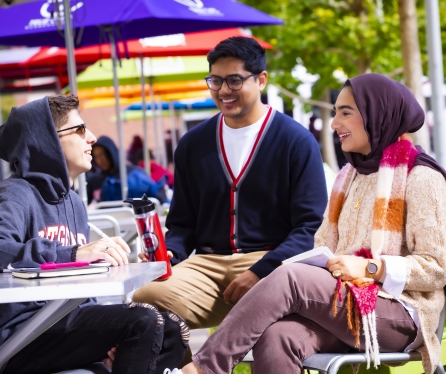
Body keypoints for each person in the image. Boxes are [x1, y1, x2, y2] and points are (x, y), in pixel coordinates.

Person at [166, 73, 446, 374]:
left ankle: (204, 368)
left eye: (345, 113)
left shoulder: (422, 178)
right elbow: (322, 244)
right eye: (335, 113)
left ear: (378, 114)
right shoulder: (349, 177)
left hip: (402, 314)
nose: (334, 123)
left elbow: (436, 268)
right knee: (276, 337)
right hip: (346, 305)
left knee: (291, 277)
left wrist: (370, 268)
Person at [133, 36, 327, 364]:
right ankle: (182, 369)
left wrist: (262, 269)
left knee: (273, 326)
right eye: (215, 80)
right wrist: (167, 255)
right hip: (206, 266)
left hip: (272, 264)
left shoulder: (296, 141)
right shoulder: (193, 144)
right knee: (145, 299)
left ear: (261, 79)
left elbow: (309, 227)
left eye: (235, 79)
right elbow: (182, 224)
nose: (224, 90)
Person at [0, 95, 188, 374]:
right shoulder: (13, 194)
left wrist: (106, 332)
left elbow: (79, 285)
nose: (93, 138)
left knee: (173, 328)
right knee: (144, 321)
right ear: (47, 141)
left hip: (63, 324)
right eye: (80, 129)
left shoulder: (73, 202)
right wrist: (74, 253)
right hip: (18, 338)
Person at [89, 135, 168, 203]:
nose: (100, 160)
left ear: (111, 152)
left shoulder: (136, 175)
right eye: (96, 156)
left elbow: (157, 195)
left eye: (102, 154)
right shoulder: (96, 180)